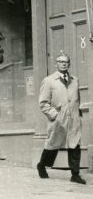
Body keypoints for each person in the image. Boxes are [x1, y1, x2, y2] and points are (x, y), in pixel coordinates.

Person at [36, 52, 86, 184]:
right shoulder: (49, 80)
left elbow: (76, 99)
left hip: (73, 118)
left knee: (75, 145)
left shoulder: (75, 80)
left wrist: (78, 114)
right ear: (56, 64)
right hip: (59, 118)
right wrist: (54, 115)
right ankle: (42, 165)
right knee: (53, 144)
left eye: (65, 62)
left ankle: (75, 174)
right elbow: (43, 103)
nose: (63, 64)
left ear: (69, 64)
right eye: (60, 61)